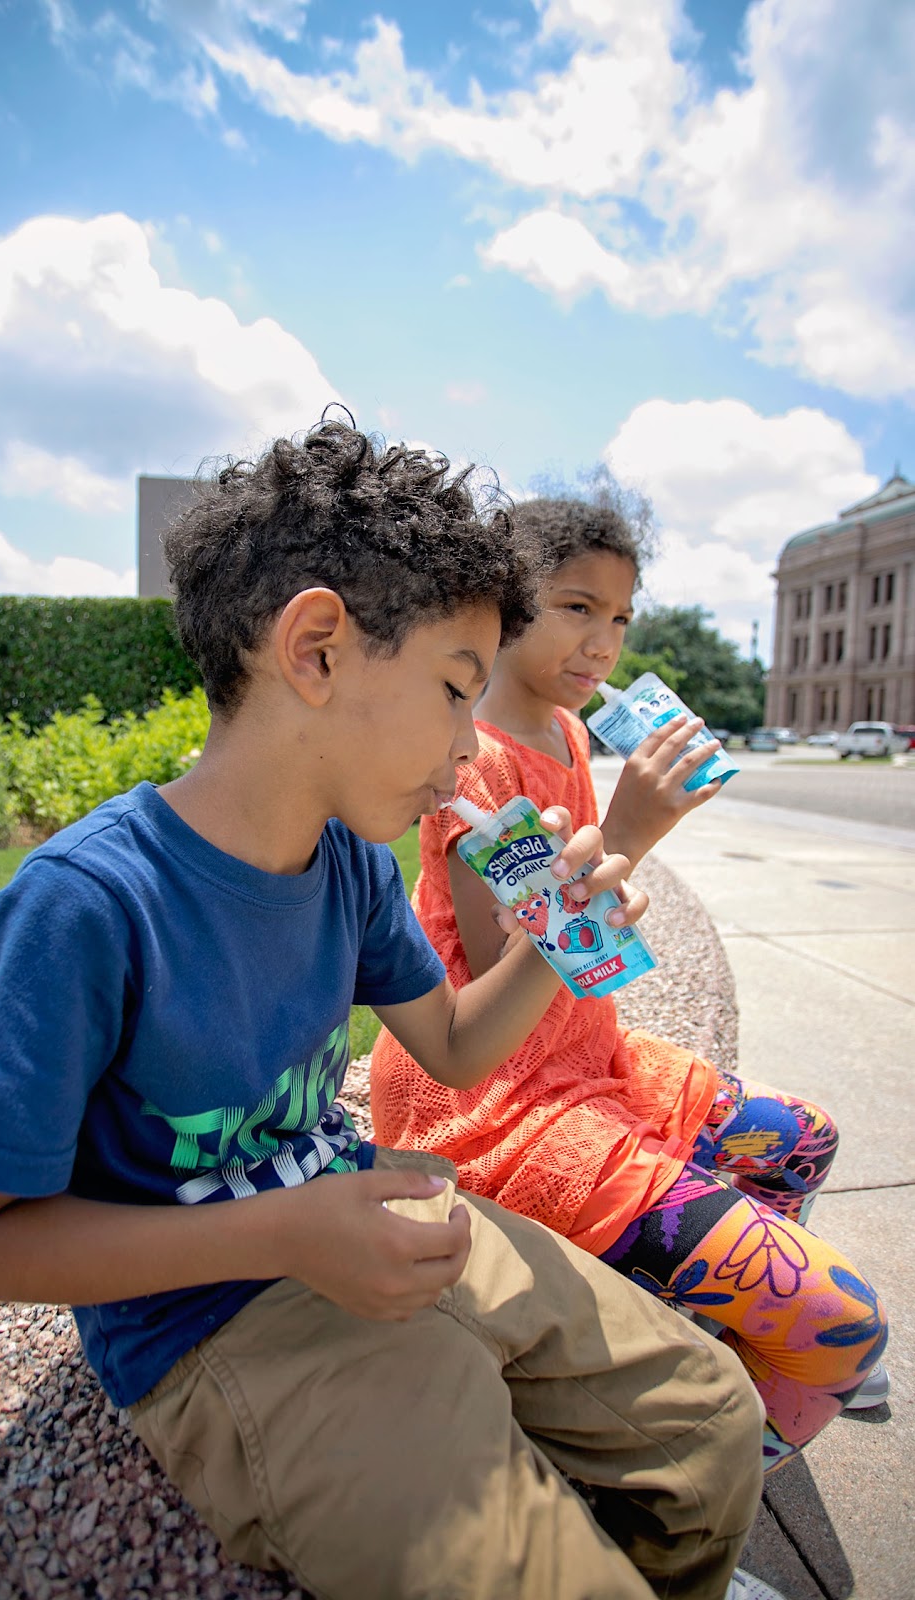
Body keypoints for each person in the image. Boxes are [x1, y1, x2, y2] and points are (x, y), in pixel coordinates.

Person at [0, 421, 776, 1600]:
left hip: (375, 1223)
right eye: (456, 689)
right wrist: (286, 1233)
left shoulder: (351, 862)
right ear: (315, 649)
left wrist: (554, 937)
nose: (470, 745)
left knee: (714, 1417)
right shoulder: (86, 907)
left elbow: (456, 1047)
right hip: (216, 1323)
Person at [371, 495, 889, 1476]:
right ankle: (692, 1484)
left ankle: (712, 1339)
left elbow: (590, 941)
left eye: (619, 616)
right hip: (498, 1093)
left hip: (585, 1055)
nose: (603, 642)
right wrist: (629, 835)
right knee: (844, 1327)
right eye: (576, 607)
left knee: (804, 1140)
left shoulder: (569, 734)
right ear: (505, 605)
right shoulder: (472, 768)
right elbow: (505, 968)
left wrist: (626, 833)